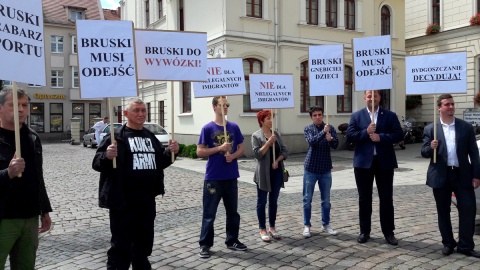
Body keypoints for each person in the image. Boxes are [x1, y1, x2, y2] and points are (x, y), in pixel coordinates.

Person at [92, 98, 179, 269]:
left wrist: (171, 152)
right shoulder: (116, 137)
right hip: (122, 203)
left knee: (143, 247)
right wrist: (107, 156)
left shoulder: (150, 136)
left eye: (143, 110)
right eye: (136, 110)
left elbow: (159, 161)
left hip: (146, 202)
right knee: (120, 249)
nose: (141, 114)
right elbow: (97, 163)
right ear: (126, 114)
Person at [421, 94, 480, 258]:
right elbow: (424, 152)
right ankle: (448, 243)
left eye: (453, 104)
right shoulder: (431, 129)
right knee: (443, 211)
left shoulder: (465, 127)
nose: (451, 107)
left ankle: (466, 246)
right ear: (439, 108)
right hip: (440, 175)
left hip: (462, 175)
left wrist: (476, 175)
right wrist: (430, 147)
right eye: (447, 104)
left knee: (468, 209)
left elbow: (474, 154)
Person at [0, 87, 52, 269]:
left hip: (29, 218)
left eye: (24, 105)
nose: (21, 110)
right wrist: (8, 173)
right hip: (3, 218)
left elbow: (39, 177)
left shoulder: (32, 137)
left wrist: (44, 209)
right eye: (14, 105)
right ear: (0, 108)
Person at [346, 90, 403, 245]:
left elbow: (399, 135)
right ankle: (364, 231)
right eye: (369, 96)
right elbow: (349, 136)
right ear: (365, 98)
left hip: (384, 162)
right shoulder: (356, 116)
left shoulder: (390, 115)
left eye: (375, 96)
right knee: (364, 199)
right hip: (363, 163)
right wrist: (366, 132)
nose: (372, 98)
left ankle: (389, 232)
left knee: (386, 198)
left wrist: (381, 137)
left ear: (379, 98)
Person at [197, 96, 246, 259]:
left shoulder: (234, 127)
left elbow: (241, 148)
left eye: (227, 105)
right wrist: (219, 148)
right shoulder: (207, 128)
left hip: (231, 176)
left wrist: (233, 156)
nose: (225, 107)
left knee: (233, 212)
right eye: (222, 104)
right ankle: (205, 244)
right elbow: (200, 151)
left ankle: (232, 240)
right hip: (214, 177)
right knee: (209, 213)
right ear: (214, 107)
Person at [252, 110, 289, 242]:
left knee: (273, 201)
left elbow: (285, 150)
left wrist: (277, 160)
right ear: (262, 120)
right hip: (263, 174)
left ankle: (272, 227)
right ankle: (262, 228)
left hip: (276, 172)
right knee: (262, 202)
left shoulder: (276, 134)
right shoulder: (256, 136)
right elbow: (257, 155)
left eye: (272, 117)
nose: (271, 120)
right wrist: (268, 143)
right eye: (268, 118)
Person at [302, 106, 339, 238]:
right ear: (311, 117)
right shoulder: (308, 129)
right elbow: (312, 142)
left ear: (323, 115)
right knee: (307, 199)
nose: (318, 117)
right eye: (315, 115)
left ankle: (326, 224)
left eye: (320, 115)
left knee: (326, 200)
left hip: (325, 168)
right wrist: (323, 133)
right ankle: (307, 225)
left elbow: (336, 145)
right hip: (311, 168)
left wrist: (331, 139)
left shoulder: (330, 128)